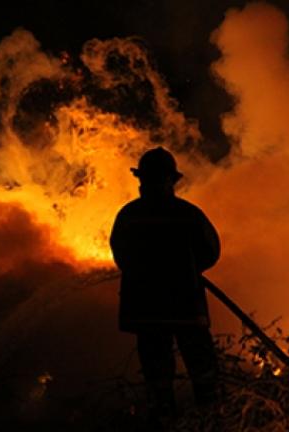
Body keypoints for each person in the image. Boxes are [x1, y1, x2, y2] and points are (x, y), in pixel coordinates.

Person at [110, 146, 221, 419]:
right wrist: (187, 271)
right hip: (186, 306)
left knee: (157, 374)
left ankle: (164, 421)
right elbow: (210, 252)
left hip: (146, 309)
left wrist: (144, 275)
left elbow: (120, 254)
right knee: (202, 368)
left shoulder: (129, 215)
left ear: (141, 179)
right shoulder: (188, 214)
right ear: (171, 179)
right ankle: (211, 420)